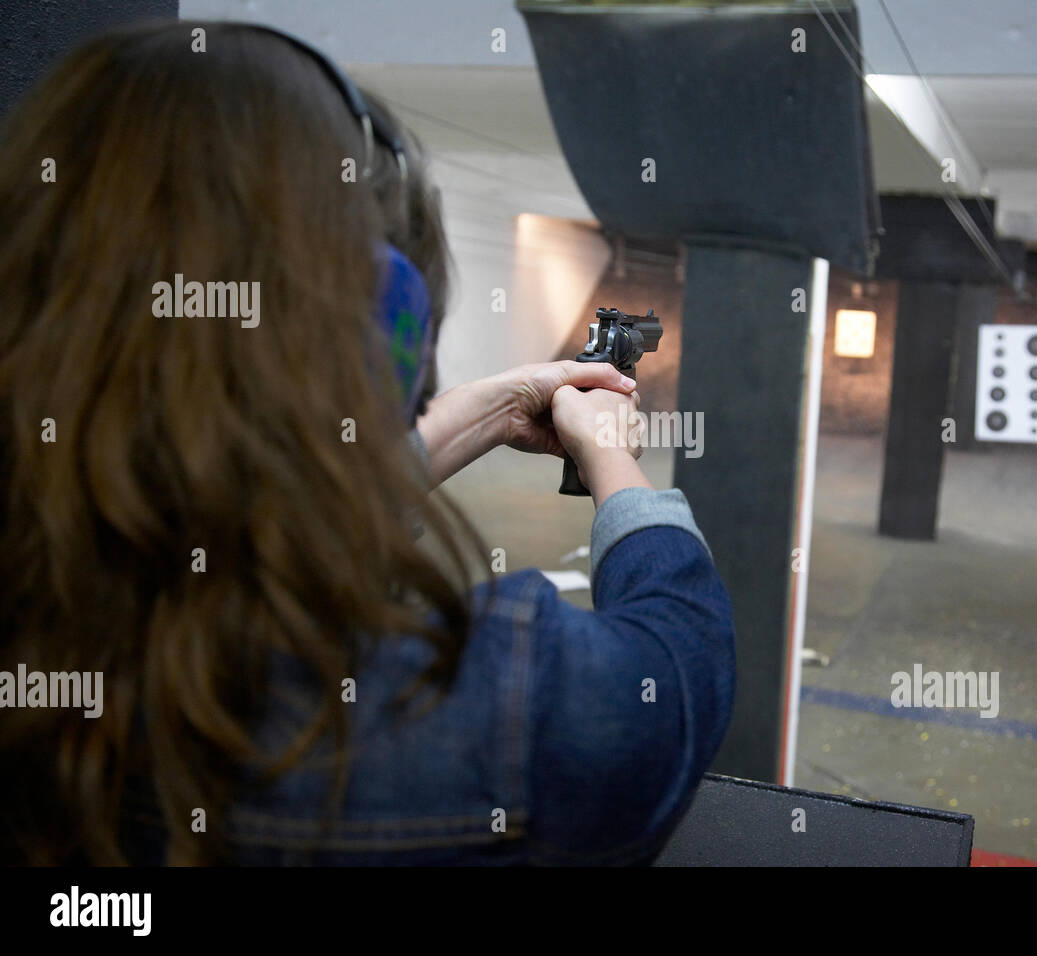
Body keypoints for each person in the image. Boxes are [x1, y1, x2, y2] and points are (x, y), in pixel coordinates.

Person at [0, 20, 735, 865]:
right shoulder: (474, 713)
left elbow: (231, 500)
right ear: (389, 330)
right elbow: (681, 669)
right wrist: (611, 455)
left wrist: (492, 412)